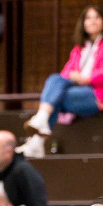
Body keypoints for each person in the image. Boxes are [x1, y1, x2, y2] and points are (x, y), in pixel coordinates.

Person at [20, 5, 103, 159]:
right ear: (83, 23)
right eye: (88, 18)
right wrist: (73, 76)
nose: (92, 21)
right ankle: (41, 122)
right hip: (76, 90)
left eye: (97, 17)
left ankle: (38, 134)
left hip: (97, 94)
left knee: (58, 98)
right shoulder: (79, 48)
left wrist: (87, 79)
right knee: (55, 79)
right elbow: (66, 73)